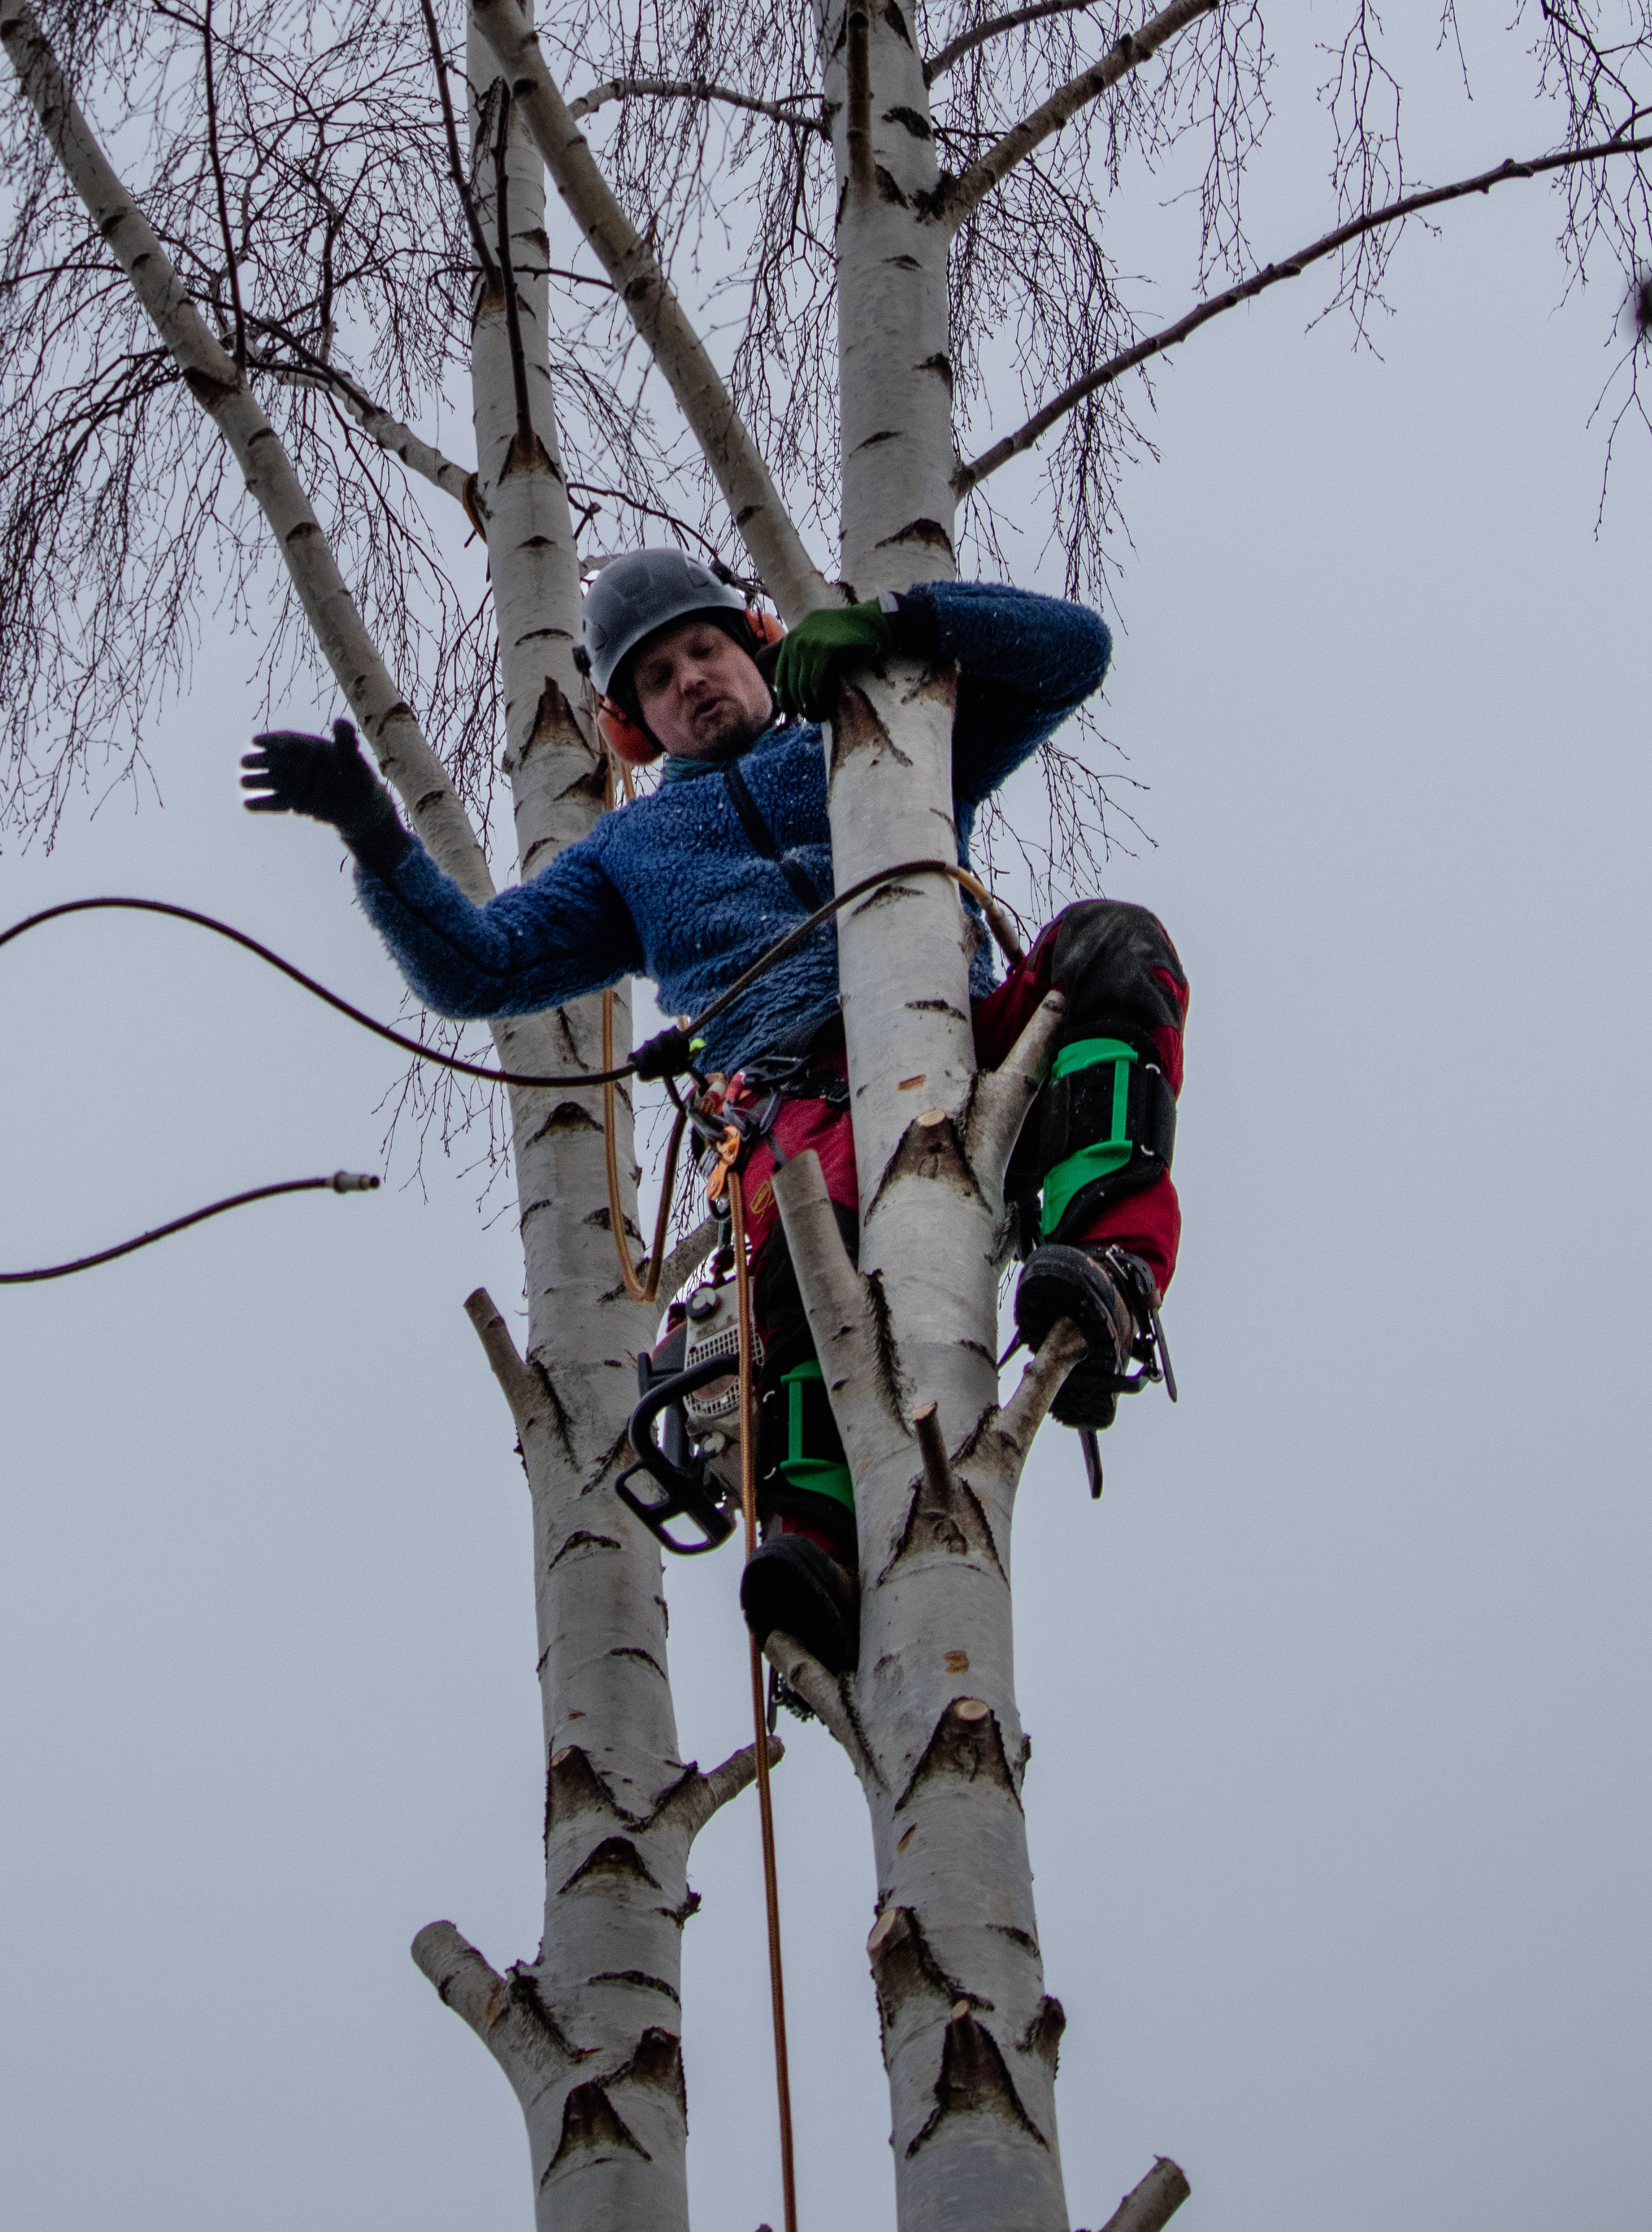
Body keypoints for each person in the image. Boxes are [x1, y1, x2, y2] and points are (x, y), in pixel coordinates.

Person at [242, 550, 1186, 1672]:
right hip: (792, 1096)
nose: (691, 681)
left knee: (1116, 945)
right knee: (801, 1237)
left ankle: (1106, 1268)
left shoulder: (875, 730)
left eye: (705, 650)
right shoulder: (632, 854)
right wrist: (373, 833)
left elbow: (1074, 655)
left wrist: (896, 627)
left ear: (758, 644)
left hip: (963, 1049)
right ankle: (817, 1537)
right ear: (632, 724)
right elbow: (480, 968)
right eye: (655, 678)